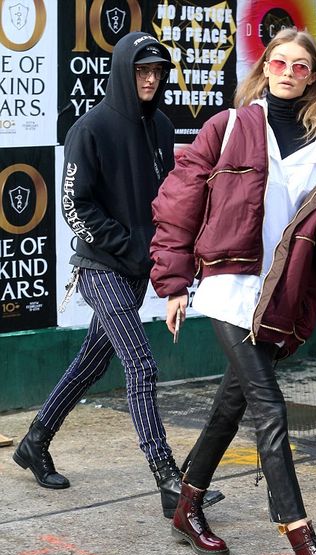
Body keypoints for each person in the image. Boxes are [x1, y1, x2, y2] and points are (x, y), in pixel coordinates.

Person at [150, 28, 316, 555]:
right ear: (265, 66)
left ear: (314, 77)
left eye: (302, 66)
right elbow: (179, 203)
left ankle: (187, 505)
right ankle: (307, 548)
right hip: (227, 287)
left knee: (230, 407)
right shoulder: (228, 128)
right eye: (280, 61)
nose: (289, 71)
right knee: (269, 408)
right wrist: (174, 283)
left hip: (277, 294)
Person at [12, 31, 223, 518]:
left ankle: (34, 442)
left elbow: (170, 199)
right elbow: (73, 206)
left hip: (136, 269)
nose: (149, 80)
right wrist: (131, 245)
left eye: (156, 72)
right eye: (141, 71)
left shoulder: (164, 127)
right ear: (123, 73)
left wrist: (167, 255)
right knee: (143, 367)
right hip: (101, 266)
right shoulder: (89, 130)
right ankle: (170, 480)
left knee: (89, 364)